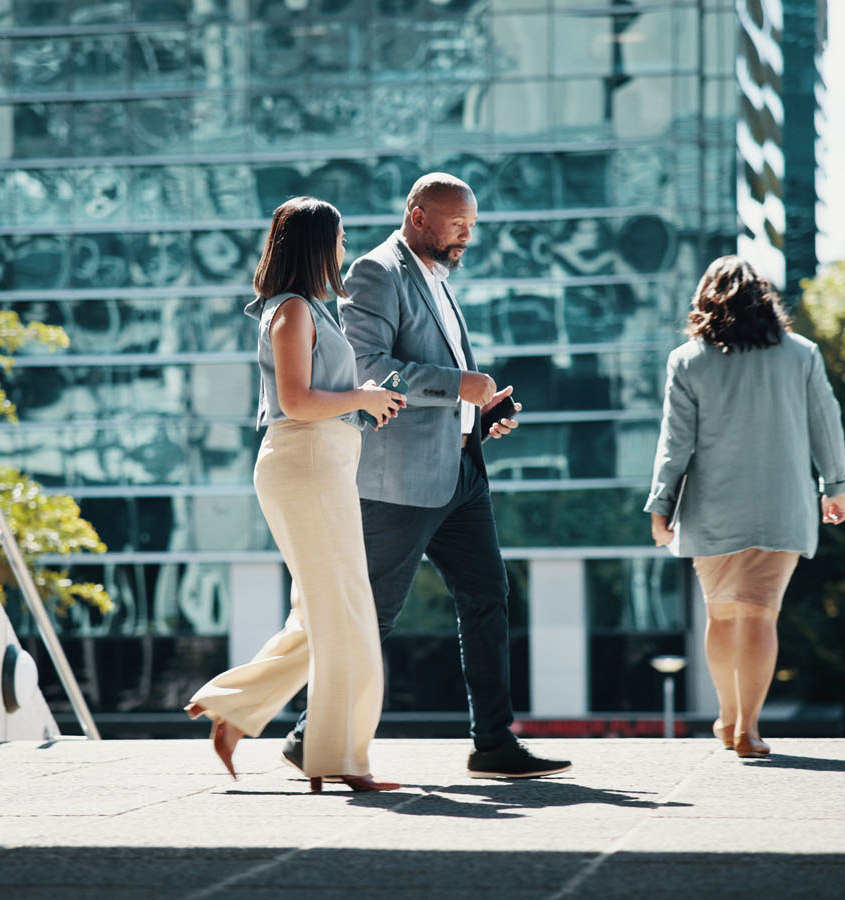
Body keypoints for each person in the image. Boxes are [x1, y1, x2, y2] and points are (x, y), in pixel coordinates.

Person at [281, 173, 571, 780]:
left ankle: (492, 743)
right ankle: (310, 735)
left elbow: (434, 377)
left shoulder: (438, 278)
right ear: (418, 216)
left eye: (472, 223)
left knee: (488, 597)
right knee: (371, 614)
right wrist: (456, 386)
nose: (468, 233)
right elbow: (368, 370)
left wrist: (478, 414)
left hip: (462, 468)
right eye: (457, 222)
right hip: (399, 479)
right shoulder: (376, 272)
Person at [185, 197, 407, 793]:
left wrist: (363, 397)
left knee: (319, 612)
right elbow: (298, 402)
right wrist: (360, 398)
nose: (343, 249)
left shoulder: (311, 310)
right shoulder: (291, 312)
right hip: (305, 461)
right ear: (316, 245)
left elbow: (315, 395)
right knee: (349, 614)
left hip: (322, 461)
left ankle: (233, 707)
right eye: (337, 238)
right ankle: (339, 757)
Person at [645, 255, 845, 759]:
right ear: (766, 299)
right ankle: (750, 728)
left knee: (722, 618)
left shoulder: (688, 360)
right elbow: (826, 422)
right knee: (761, 616)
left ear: (706, 300)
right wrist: (836, 485)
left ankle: (729, 716)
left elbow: (676, 443)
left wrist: (660, 507)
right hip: (783, 505)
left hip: (713, 508)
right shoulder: (802, 354)